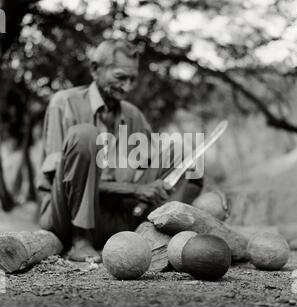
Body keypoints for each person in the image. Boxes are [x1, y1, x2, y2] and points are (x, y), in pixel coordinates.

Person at [37, 39, 202, 263]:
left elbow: (154, 167)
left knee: (181, 152)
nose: (127, 87)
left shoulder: (133, 115)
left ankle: (167, 235)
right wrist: (134, 189)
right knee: (85, 135)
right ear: (96, 69)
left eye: (132, 79)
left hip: (116, 217)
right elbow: (64, 179)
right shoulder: (64, 103)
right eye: (120, 77)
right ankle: (80, 240)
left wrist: (160, 185)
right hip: (67, 218)